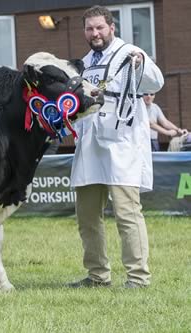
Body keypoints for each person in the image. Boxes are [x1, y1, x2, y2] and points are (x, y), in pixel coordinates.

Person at [69, 6, 164, 288]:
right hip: (89, 146)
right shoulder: (83, 63)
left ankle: (138, 277)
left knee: (127, 213)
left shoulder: (131, 53)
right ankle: (97, 275)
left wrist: (141, 64)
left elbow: (155, 81)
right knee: (86, 216)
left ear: (111, 27)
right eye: (89, 28)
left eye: (99, 27)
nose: (95, 33)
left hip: (121, 144)